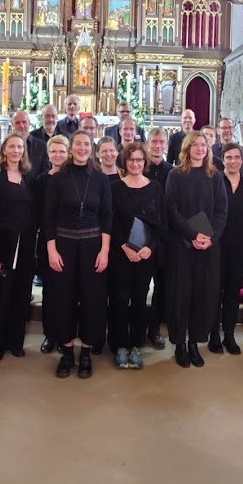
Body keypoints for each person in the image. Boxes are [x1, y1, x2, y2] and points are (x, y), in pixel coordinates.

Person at [44, 131, 113, 378]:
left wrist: (105, 251)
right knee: (64, 299)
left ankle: (85, 351)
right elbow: (48, 218)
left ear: (91, 149)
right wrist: (51, 250)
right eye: (78, 144)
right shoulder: (58, 178)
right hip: (64, 246)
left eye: (86, 144)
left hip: (94, 247)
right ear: (71, 148)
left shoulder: (101, 179)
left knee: (92, 299)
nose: (83, 148)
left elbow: (107, 217)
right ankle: (65, 352)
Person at [165, 132, 228, 367]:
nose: (200, 148)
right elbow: (171, 209)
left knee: (203, 294)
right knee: (181, 294)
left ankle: (194, 342)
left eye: (204, 145)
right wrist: (192, 235)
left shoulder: (215, 176)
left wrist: (211, 238)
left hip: (208, 246)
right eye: (196, 145)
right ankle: (180, 343)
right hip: (182, 245)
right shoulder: (175, 175)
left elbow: (222, 211)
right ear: (187, 148)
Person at [108, 142, 164, 369]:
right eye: (131, 159)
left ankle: (136, 345)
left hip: (145, 254)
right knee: (120, 299)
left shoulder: (155, 188)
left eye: (140, 159)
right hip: (121, 253)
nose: (135, 163)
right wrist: (124, 247)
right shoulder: (115, 187)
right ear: (125, 162)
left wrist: (150, 247)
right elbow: (111, 222)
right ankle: (120, 345)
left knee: (140, 300)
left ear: (145, 162)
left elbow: (161, 222)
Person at [0, 134, 38, 360]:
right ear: (4, 150)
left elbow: (33, 211)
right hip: (2, 243)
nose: (16, 150)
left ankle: (15, 342)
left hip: (25, 244)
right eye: (12, 146)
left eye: (20, 147)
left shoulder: (28, 177)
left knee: (20, 293)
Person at [210, 143, 243, 355]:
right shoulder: (213, 183)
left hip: (241, 248)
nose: (233, 161)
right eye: (228, 157)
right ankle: (213, 336)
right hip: (217, 248)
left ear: (242, 160)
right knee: (214, 293)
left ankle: (229, 335)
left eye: (237, 157)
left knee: (232, 293)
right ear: (222, 160)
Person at [36, 134, 70, 354]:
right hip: (47, 239)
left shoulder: (72, 178)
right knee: (49, 289)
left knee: (66, 292)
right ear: (48, 154)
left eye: (62, 151)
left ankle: (64, 333)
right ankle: (50, 334)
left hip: (69, 240)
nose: (57, 155)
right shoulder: (40, 180)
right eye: (54, 151)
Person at [143, 127, 172, 349]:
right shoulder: (137, 167)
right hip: (140, 237)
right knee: (140, 287)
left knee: (161, 287)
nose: (158, 145)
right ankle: (136, 328)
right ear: (147, 143)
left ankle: (153, 329)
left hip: (163, 238)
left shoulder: (172, 172)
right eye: (154, 141)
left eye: (162, 142)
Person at [10, 110, 48, 175]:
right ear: (12, 125)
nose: (21, 126)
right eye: (17, 123)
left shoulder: (42, 146)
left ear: (29, 123)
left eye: (24, 122)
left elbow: (45, 171)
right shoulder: (8, 145)